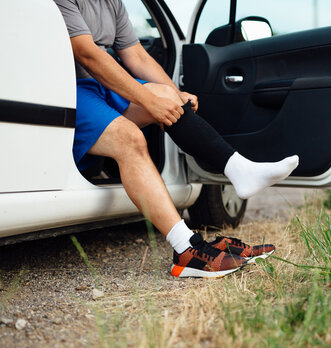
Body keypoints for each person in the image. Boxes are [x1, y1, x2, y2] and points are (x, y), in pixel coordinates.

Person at [53, 0, 299, 278]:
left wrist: (174, 93)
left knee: (168, 97)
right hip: (65, 87)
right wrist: (148, 100)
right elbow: (88, 55)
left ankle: (239, 169)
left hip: (100, 86)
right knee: (129, 138)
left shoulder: (113, 3)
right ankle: (185, 248)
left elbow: (137, 56)